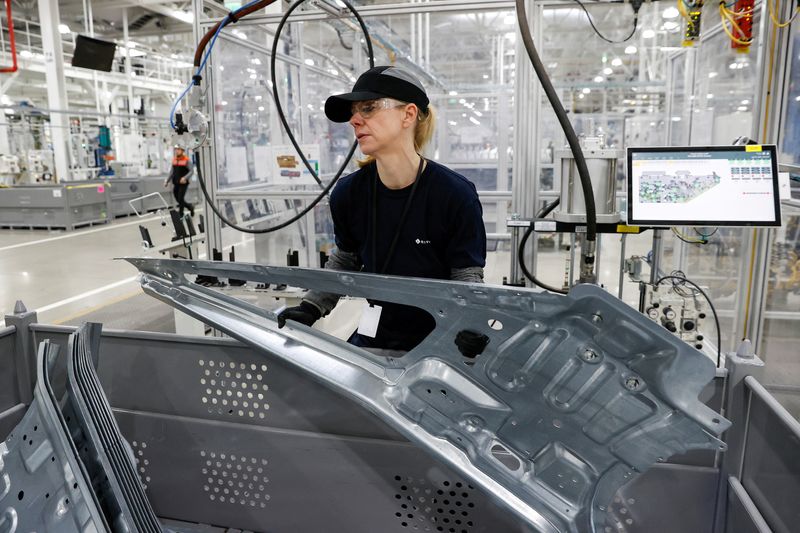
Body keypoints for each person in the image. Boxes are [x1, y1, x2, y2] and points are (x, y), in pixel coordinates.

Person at [277, 65, 487, 353]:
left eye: (369, 108)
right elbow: (346, 260)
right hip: (376, 335)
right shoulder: (349, 194)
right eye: (354, 112)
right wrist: (311, 307)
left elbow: (466, 276)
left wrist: (470, 324)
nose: (355, 120)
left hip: (441, 339)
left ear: (408, 114)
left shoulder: (454, 195)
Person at [164, 146, 194, 217]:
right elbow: (171, 172)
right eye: (176, 150)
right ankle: (190, 207)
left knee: (180, 198)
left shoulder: (186, 160)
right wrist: (167, 181)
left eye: (178, 150)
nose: (177, 151)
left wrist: (185, 178)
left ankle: (181, 214)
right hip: (176, 183)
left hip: (183, 183)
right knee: (177, 198)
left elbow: (191, 171)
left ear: (182, 151)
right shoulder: (174, 160)